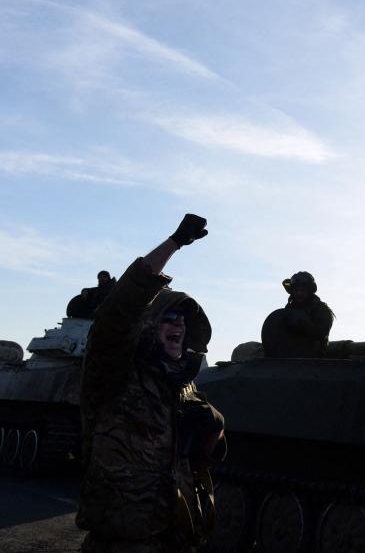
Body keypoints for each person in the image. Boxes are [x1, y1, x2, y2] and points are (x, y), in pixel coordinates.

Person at [77, 214, 226, 552]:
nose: (180, 325)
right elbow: (120, 309)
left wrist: (212, 431)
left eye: (185, 319)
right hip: (123, 540)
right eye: (170, 317)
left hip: (176, 535)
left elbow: (198, 460)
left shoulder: (182, 385)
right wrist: (174, 243)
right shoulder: (114, 373)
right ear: (147, 326)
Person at [261, 271, 335, 358]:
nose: (299, 293)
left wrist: (303, 321)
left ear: (309, 291)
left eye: (303, 290)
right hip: (285, 355)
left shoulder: (321, 310)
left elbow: (321, 334)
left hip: (312, 357)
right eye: (296, 290)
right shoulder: (288, 311)